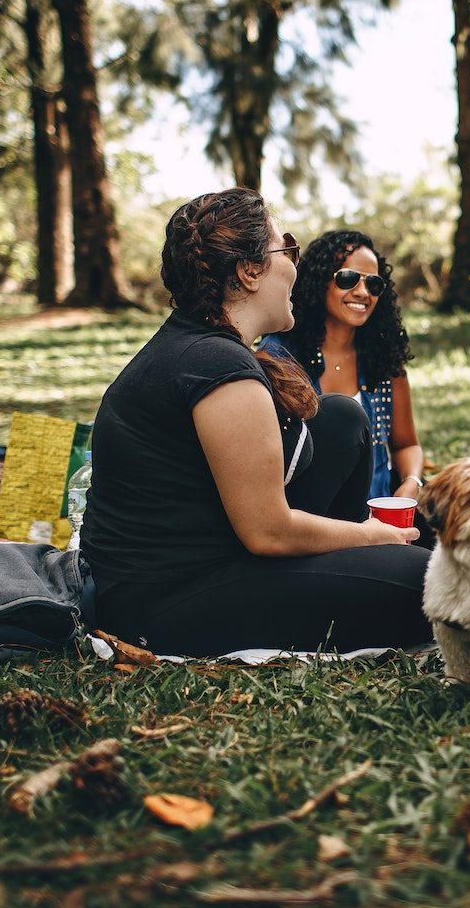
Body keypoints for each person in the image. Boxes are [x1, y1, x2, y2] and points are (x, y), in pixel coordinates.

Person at [81, 190, 433, 657]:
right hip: (164, 600)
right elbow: (269, 532)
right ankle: (369, 564)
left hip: (217, 551)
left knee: (342, 417)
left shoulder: (203, 344)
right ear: (249, 272)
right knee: (430, 583)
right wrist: (372, 534)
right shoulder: (216, 367)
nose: (295, 265)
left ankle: (361, 565)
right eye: (286, 248)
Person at [260, 230, 424, 503]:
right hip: (312, 520)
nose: (362, 292)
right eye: (347, 279)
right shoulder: (279, 357)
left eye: (373, 284)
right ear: (318, 281)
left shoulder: (383, 358)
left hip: (382, 517)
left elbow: (407, 444)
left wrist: (411, 482)